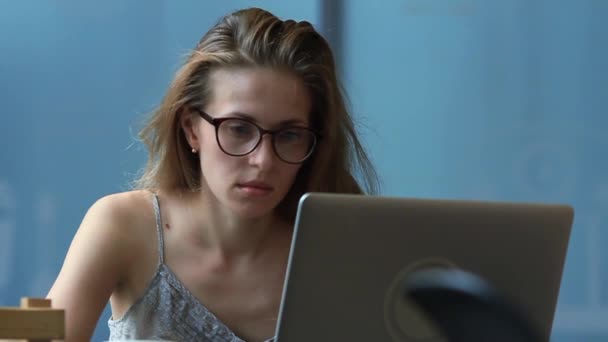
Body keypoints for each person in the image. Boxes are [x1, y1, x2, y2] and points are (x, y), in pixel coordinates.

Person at [47, 7, 378, 342]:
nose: (262, 160)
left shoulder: (336, 251)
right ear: (191, 129)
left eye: (289, 135)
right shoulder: (124, 226)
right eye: (238, 129)